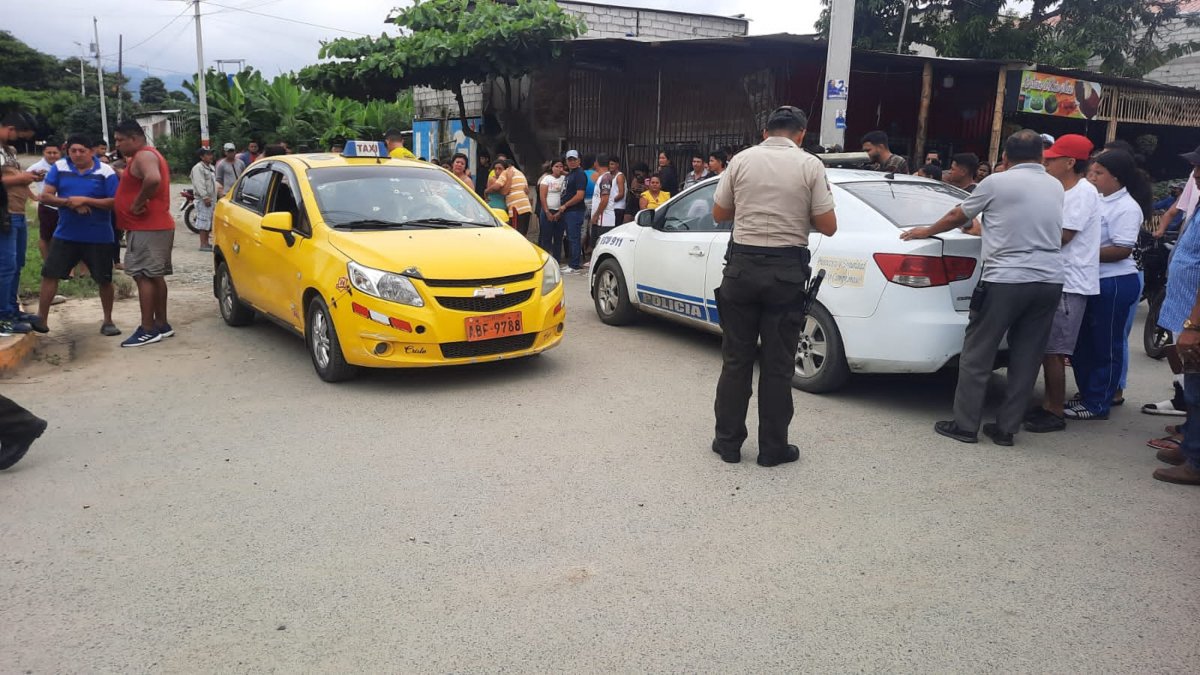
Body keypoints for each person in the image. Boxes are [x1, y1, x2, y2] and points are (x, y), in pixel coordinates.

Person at [902, 130, 1064, 446]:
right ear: (1042, 156)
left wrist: (926, 231)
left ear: (1004, 157)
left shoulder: (996, 182)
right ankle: (1006, 429)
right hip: (1050, 280)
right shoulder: (1055, 185)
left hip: (1006, 279)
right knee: (1027, 355)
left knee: (978, 351)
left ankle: (965, 425)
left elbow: (957, 215)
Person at [711, 105, 838, 467]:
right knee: (778, 365)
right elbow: (828, 225)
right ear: (801, 133)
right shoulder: (811, 165)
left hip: (741, 270)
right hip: (786, 273)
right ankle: (772, 449)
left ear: (766, 131)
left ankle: (728, 444)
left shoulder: (740, 160)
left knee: (735, 360)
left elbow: (720, 213)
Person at [1066, 149, 1152, 420]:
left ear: (1117, 178)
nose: (1091, 177)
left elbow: (1122, 249)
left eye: (1098, 173)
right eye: (1091, 172)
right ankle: (1090, 393)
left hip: (1114, 282)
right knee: (1083, 343)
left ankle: (1099, 403)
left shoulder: (1127, 207)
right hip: (1091, 278)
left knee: (1106, 344)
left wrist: (1081, 250)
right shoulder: (1097, 199)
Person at [1024, 135, 1102, 433]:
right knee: (1046, 347)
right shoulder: (1063, 190)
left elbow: (1063, 236)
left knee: (1055, 350)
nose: (1046, 163)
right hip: (1055, 276)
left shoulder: (1083, 193)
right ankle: (1047, 404)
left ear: (1070, 162)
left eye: (1052, 159)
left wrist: (1022, 237)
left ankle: (1055, 410)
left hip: (1070, 282)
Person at [29, 134, 121, 337]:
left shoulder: (106, 171)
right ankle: (42, 317)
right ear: (67, 151)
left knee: (104, 279)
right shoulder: (59, 168)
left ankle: (108, 320)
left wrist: (86, 200)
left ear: (91, 151)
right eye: (73, 151)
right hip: (66, 233)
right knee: (50, 274)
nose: (77, 155)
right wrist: (70, 202)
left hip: (99, 235)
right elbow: (45, 196)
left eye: (82, 151)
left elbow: (115, 202)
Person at [1150, 196, 1200, 484]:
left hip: (1194, 315)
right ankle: (1190, 446)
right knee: (1192, 388)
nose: (1195, 174)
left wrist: (1194, 324)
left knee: (1196, 390)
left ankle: (1195, 460)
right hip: (1186, 306)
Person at [113, 119, 175, 347]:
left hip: (148, 227)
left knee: (143, 275)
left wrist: (138, 203)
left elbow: (153, 179)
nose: (117, 144)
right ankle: (161, 324)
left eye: (120, 140)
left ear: (135, 138)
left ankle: (148, 329)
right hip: (152, 227)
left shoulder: (144, 155)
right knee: (154, 275)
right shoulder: (143, 156)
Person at [0, 113, 38, 333]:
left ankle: (12, 309)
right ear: (10, 127)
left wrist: (29, 177)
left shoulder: (8, 151)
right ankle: (3, 317)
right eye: (19, 135)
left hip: (18, 212)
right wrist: (22, 179)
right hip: (4, 214)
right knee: (5, 266)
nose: (18, 140)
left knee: (16, 264)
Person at [1155, 147, 1200, 239]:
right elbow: (1172, 211)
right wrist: (1160, 231)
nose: (1195, 174)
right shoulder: (1193, 176)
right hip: (1187, 238)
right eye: (1195, 166)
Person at [29, 139, 62, 262]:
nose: (52, 155)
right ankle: (48, 264)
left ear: (61, 153)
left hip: (64, 206)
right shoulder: (37, 167)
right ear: (44, 152)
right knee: (45, 237)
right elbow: (24, 182)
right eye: (49, 152)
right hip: (47, 207)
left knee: (64, 237)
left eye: (55, 152)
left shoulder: (65, 165)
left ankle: (66, 267)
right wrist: (33, 197)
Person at [559, 149, 588, 274]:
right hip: (569, 211)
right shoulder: (571, 174)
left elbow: (580, 195)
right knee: (570, 238)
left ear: (579, 161)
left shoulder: (580, 174)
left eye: (574, 159)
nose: (571, 162)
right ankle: (572, 263)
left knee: (574, 237)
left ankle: (574, 264)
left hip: (574, 210)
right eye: (569, 159)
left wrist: (565, 205)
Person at [493, 158, 533, 237]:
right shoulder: (520, 173)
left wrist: (486, 191)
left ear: (506, 167)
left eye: (500, 168)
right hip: (526, 208)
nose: (498, 171)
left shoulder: (507, 172)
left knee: (516, 234)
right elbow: (526, 190)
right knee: (523, 235)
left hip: (516, 209)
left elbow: (496, 187)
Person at [591, 155, 626, 243]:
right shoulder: (602, 177)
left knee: (600, 245)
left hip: (604, 220)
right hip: (599, 219)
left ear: (596, 163)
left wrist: (596, 215)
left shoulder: (605, 178)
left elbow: (605, 200)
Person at [538, 158, 566, 261]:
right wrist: (547, 212)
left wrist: (559, 212)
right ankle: (546, 260)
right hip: (547, 211)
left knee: (558, 238)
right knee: (546, 237)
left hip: (560, 212)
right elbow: (543, 197)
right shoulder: (546, 179)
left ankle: (557, 260)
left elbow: (572, 176)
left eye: (561, 166)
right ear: (552, 168)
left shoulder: (564, 178)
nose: (559, 169)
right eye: (556, 166)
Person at [189, 147, 217, 252]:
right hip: (203, 199)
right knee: (203, 220)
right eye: (208, 154)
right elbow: (199, 183)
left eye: (211, 154)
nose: (211, 156)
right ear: (202, 156)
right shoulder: (198, 168)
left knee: (208, 221)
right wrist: (205, 196)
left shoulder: (211, 167)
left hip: (212, 198)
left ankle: (207, 243)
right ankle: (203, 244)